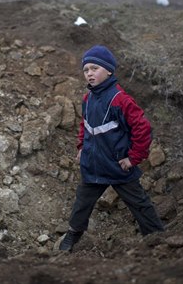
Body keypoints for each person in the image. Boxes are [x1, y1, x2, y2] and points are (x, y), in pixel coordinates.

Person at [60, 45, 164, 252]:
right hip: (93, 166)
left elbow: (143, 129)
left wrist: (133, 158)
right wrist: (82, 146)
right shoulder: (87, 99)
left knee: (139, 203)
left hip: (119, 166)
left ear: (108, 70)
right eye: (86, 69)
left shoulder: (121, 100)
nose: (89, 73)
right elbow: (85, 124)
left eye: (94, 68)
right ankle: (73, 235)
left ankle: (157, 239)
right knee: (82, 204)